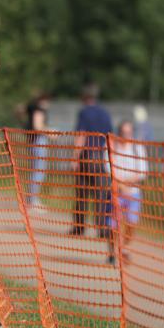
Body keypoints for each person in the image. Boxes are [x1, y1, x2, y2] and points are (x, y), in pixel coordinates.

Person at [70, 82, 114, 258]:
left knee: (82, 192)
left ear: (84, 97)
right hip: (101, 158)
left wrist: (74, 157)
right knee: (101, 194)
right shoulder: (105, 113)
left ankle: (79, 226)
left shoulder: (84, 112)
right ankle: (102, 226)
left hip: (86, 157)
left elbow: (81, 135)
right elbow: (110, 136)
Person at [109, 119, 147, 265]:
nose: (126, 135)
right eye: (124, 132)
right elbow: (109, 168)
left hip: (134, 192)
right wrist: (120, 185)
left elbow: (142, 171)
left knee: (132, 223)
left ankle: (124, 248)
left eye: (129, 132)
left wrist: (128, 184)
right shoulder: (112, 146)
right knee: (113, 225)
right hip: (116, 192)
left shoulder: (138, 148)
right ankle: (113, 251)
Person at [24, 92, 51, 208]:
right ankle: (32, 200)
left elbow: (19, 109)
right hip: (38, 141)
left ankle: (31, 198)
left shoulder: (31, 108)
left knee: (36, 170)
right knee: (38, 171)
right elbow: (38, 127)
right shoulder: (39, 110)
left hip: (32, 141)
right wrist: (50, 132)